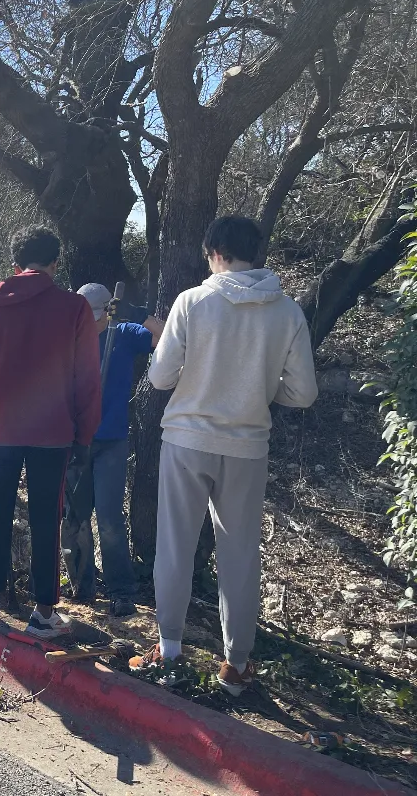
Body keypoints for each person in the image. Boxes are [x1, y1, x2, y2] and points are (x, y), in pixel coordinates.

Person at [131, 216, 317, 696]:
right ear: (257, 253)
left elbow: (160, 378)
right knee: (239, 555)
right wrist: (256, 387)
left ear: (213, 251)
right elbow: (302, 394)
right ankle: (236, 665)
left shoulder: (193, 302)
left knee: (175, 545)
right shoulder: (288, 312)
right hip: (248, 447)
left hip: (187, 441)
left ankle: (168, 649)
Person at [0, 226, 101, 638]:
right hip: (53, 431)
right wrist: (84, 435)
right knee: (45, 518)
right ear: (55, 263)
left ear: (15, 263)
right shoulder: (74, 309)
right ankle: (43, 611)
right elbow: (88, 379)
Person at [60, 284, 164, 618]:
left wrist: (137, 313)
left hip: (112, 442)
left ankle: (121, 591)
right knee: (73, 518)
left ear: (109, 310)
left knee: (108, 519)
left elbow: (165, 335)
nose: (90, 322)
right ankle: (82, 586)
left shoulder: (125, 333)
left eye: (96, 315)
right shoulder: (68, 336)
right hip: (75, 440)